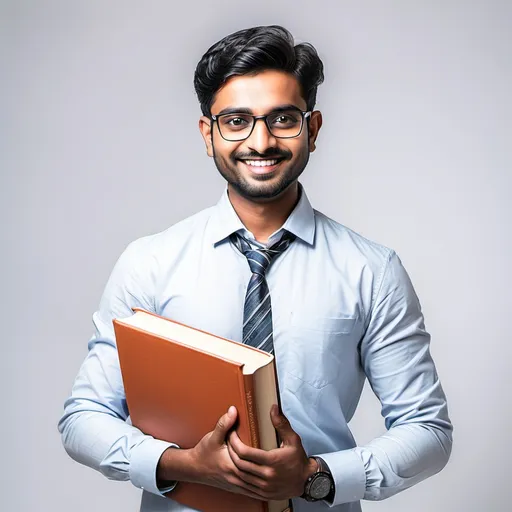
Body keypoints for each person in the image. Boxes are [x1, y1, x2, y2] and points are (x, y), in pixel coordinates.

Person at [58, 25, 452, 512]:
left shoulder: (371, 270)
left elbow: (428, 430)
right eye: (237, 120)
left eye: (283, 118)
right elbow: (84, 417)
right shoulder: (150, 263)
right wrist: (181, 464)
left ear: (313, 128)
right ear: (209, 133)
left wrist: (315, 478)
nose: (260, 141)